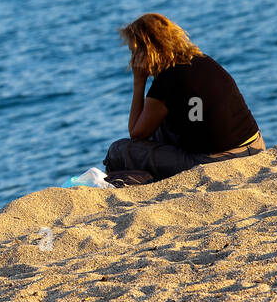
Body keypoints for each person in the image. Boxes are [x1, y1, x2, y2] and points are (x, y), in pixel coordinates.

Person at [103, 13, 264, 184]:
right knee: (160, 127)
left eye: (134, 52)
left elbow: (136, 132)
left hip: (218, 162)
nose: (132, 59)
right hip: (256, 146)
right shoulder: (202, 60)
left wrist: (139, 81)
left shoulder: (166, 80)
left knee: (119, 150)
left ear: (146, 51)